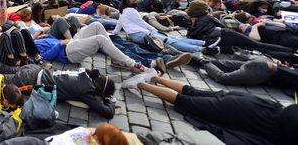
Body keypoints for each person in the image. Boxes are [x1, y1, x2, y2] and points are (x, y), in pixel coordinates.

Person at [127, 75, 298, 145]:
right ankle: (141, 83)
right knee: (183, 101)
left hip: (254, 102)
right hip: (239, 114)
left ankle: (154, 76)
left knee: (191, 91)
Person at [113, 0, 210, 54]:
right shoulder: (131, 10)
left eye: (136, 0)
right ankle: (201, 48)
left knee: (173, 39)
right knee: (170, 41)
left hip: (138, 33)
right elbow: (140, 22)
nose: (136, 2)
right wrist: (152, 29)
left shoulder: (124, 10)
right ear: (128, 2)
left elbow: (119, 23)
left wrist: (115, 32)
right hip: (140, 34)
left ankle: (202, 43)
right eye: (134, 1)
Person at [35, 22, 147, 72]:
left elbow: (50, 38)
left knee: (96, 25)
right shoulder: (32, 46)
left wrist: (44, 33)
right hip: (67, 53)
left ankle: (116, 59)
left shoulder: (39, 39)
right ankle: (132, 63)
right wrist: (60, 43)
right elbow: (46, 56)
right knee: (100, 39)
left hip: (71, 44)